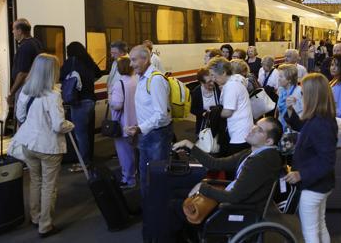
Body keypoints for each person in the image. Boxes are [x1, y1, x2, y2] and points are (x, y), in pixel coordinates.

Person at [170, 117, 283, 240]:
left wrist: (202, 187)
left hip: (237, 210)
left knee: (174, 205)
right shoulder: (254, 153)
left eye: (259, 130)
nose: (253, 129)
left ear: (269, 141)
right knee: (176, 195)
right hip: (232, 201)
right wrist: (189, 145)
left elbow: (233, 197)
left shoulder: (262, 161)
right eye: (255, 125)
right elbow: (215, 164)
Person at [13, 54, 73, 238]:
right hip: (48, 147)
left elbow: (20, 116)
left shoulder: (25, 90)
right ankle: (45, 225)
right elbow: (58, 125)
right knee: (49, 185)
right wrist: (70, 125)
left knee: (35, 180)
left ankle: (35, 216)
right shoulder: (53, 94)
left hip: (28, 143)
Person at [283, 73, 337, 243]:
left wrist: (301, 174)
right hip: (321, 185)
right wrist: (290, 110)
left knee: (311, 232)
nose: (301, 96)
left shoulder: (321, 124)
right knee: (320, 225)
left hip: (314, 187)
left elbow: (327, 161)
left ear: (312, 96)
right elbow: (302, 126)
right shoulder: (321, 118)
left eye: (303, 93)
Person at [124, 45, 172, 197]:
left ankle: (157, 211)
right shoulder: (142, 78)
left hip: (157, 135)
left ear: (145, 59)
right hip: (148, 134)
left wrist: (139, 128)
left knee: (155, 176)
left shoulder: (156, 80)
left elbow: (161, 115)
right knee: (145, 175)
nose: (131, 64)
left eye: (133, 60)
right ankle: (149, 209)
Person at [60, 41, 103, 172]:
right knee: (87, 132)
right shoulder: (88, 61)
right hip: (90, 100)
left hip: (78, 102)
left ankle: (83, 163)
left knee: (81, 134)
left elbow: (61, 77)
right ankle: (88, 159)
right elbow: (99, 73)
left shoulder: (70, 62)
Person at [207, 57, 253, 155]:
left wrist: (214, 113)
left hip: (239, 134)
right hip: (243, 131)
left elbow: (227, 112)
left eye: (214, 76)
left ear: (223, 72)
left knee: (234, 165)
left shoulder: (231, 86)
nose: (213, 79)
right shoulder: (236, 81)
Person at [109, 56, 138, 189]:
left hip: (123, 124)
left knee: (124, 153)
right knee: (134, 151)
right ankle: (135, 174)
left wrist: (110, 99)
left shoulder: (120, 83)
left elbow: (117, 105)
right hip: (136, 122)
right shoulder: (136, 80)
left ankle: (128, 179)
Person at [7, 18, 43, 110]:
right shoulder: (36, 42)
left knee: (21, 115)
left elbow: (22, 74)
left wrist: (11, 93)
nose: (12, 32)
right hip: (34, 87)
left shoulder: (25, 47)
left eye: (14, 29)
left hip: (25, 88)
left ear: (19, 31)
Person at [190, 68, 220, 135]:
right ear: (202, 82)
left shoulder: (218, 88)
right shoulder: (197, 92)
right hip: (203, 126)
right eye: (209, 82)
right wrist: (203, 113)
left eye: (212, 80)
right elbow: (192, 109)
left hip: (218, 125)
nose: (212, 83)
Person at [275, 64, 303, 132]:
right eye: (278, 76)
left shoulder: (299, 92)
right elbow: (278, 109)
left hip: (292, 128)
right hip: (281, 125)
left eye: (281, 76)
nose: (278, 79)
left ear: (289, 79)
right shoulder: (281, 90)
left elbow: (301, 114)